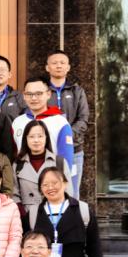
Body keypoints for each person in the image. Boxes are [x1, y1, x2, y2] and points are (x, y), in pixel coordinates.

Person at [25, 167, 107, 257]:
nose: (50, 188)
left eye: (54, 183)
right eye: (45, 185)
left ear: (65, 183)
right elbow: (24, 246)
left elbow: (94, 245)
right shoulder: (33, 213)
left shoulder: (82, 210)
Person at [46, 51, 90, 192]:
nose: (58, 66)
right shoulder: (43, 92)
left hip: (74, 149)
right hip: (47, 151)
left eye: (62, 63)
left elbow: (83, 119)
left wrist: (67, 136)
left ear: (68, 67)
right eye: (54, 63)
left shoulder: (77, 91)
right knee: (48, 190)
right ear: (47, 67)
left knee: (72, 191)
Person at [11, 76, 75, 172]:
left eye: (38, 94)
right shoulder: (17, 122)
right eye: (29, 94)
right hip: (23, 177)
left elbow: (66, 159)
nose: (33, 98)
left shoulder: (60, 122)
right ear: (24, 95)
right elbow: (13, 154)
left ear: (48, 94)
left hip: (52, 177)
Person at [14, 119, 74, 208]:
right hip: (28, 213)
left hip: (55, 212)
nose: (36, 140)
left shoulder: (59, 162)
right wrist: (23, 214)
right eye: (31, 136)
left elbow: (69, 193)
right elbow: (14, 195)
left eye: (40, 136)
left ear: (46, 138)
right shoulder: (17, 164)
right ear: (25, 139)